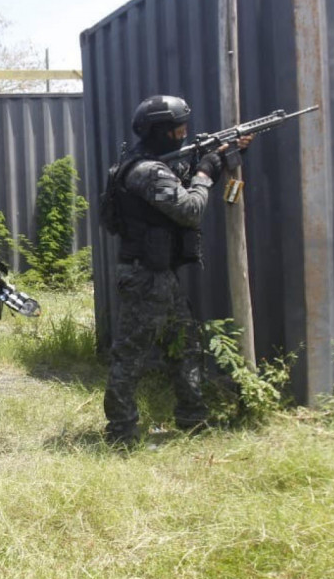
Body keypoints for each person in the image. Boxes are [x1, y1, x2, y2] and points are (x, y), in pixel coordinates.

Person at [102, 95, 252, 445]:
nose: (184, 134)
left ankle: (193, 419)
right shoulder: (145, 171)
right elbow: (189, 210)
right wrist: (205, 173)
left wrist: (223, 154)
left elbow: (181, 176)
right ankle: (121, 433)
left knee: (186, 347)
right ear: (157, 131)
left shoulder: (159, 163)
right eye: (176, 130)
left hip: (161, 276)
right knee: (130, 358)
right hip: (144, 278)